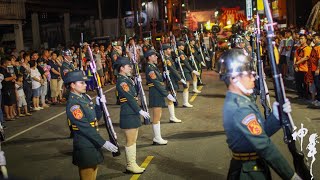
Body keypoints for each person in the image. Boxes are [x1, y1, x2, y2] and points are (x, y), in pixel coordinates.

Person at [218, 49, 301, 180]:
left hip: (253, 165)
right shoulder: (240, 108)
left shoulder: (242, 100)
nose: (253, 77)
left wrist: (276, 117)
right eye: (248, 74)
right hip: (248, 172)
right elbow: (264, 145)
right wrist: (291, 176)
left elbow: (259, 133)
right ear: (234, 79)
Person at [65, 70, 118, 180]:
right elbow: (85, 127)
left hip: (92, 141)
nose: (85, 85)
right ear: (72, 85)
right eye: (82, 83)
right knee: (88, 175)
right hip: (85, 144)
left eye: (85, 82)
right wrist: (103, 142)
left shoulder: (84, 97)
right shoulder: (73, 104)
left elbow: (94, 118)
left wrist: (99, 106)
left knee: (93, 171)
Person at [114, 57, 149, 173]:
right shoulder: (122, 81)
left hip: (132, 111)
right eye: (128, 66)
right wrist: (139, 110)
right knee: (130, 140)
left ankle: (133, 163)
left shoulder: (127, 79)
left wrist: (137, 83)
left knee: (133, 139)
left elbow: (134, 94)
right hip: (128, 113)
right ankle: (130, 165)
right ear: (122, 68)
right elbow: (129, 97)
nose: (130, 67)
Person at [145, 50, 176, 145]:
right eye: (154, 56)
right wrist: (167, 94)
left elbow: (158, 80)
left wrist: (163, 74)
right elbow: (156, 83)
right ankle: (157, 138)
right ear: (149, 57)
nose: (156, 57)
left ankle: (158, 137)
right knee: (156, 116)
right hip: (155, 93)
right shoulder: (149, 68)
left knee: (158, 115)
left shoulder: (153, 67)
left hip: (158, 92)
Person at [162, 44, 186, 122]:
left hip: (172, 78)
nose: (170, 50)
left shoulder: (169, 58)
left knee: (172, 97)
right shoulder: (166, 59)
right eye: (168, 49)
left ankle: (172, 116)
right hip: (171, 79)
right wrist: (180, 78)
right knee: (171, 98)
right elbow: (172, 69)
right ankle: (172, 117)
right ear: (165, 51)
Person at [177, 41, 200, 107]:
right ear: (179, 47)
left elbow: (186, 61)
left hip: (185, 70)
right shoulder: (180, 53)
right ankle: (185, 102)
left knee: (187, 86)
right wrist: (192, 70)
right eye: (182, 45)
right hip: (184, 70)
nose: (183, 46)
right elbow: (185, 63)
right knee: (186, 86)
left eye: (183, 45)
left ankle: (185, 102)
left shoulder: (181, 52)